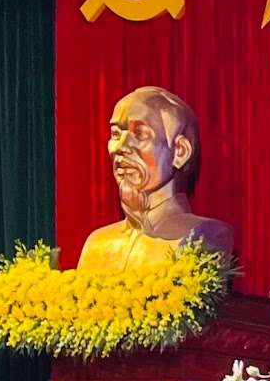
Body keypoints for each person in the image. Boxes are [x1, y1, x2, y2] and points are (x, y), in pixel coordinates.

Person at [77, 86, 234, 273]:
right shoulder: (97, 245)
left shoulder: (205, 235)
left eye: (140, 133)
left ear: (180, 152)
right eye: (116, 134)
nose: (119, 147)